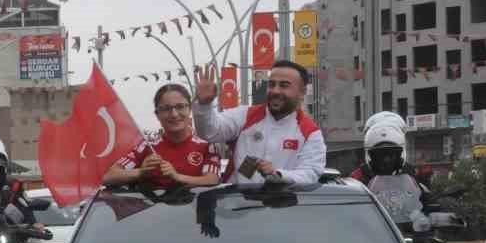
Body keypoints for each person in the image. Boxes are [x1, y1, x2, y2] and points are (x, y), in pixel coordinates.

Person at [191, 60, 328, 187]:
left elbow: (311, 172)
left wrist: (279, 175)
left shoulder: (310, 132)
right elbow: (210, 132)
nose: (275, 91)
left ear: (302, 92)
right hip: (238, 204)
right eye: (272, 84)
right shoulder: (245, 115)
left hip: (282, 207)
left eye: (284, 85)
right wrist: (204, 105)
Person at [103, 84, 223, 190]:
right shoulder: (146, 146)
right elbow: (107, 177)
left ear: (189, 109)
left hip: (194, 214)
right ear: (157, 114)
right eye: (166, 109)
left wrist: (177, 176)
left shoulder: (207, 146)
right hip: (153, 215)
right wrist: (141, 172)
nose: (174, 114)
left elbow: (212, 180)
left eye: (180, 106)